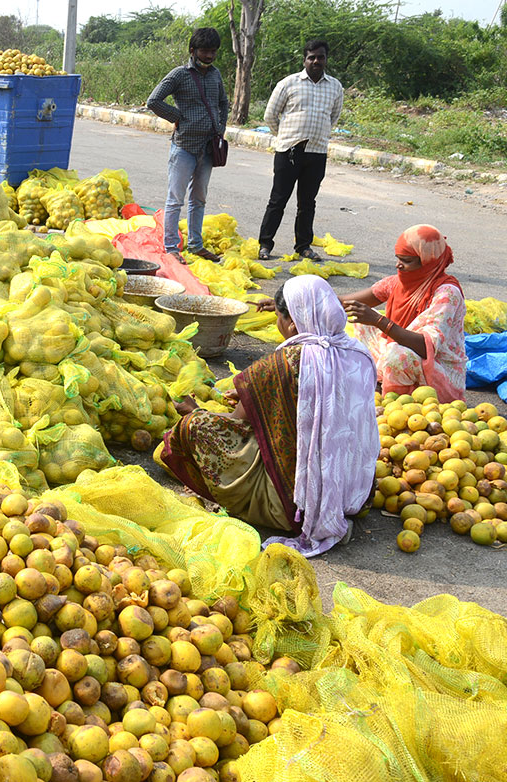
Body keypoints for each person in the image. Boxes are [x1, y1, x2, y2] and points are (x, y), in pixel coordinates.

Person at [161, 275, 378, 556]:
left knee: (195, 426)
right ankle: (335, 510)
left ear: (291, 321)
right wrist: (260, 395)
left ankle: (290, 510)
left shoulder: (282, 364)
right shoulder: (359, 354)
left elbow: (237, 422)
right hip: (354, 494)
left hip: (292, 506)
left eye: (278, 317)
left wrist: (197, 411)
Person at [339, 225, 466, 402]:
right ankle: (386, 377)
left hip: (438, 371)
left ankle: (394, 401)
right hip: (401, 350)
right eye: (398, 258)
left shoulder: (447, 294)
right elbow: (347, 302)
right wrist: (311, 293)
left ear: (427, 261)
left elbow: (425, 347)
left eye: (406, 260)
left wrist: (379, 321)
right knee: (359, 318)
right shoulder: (398, 283)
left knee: (397, 356)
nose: (398, 265)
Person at [146, 28, 230, 265]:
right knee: (175, 199)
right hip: (184, 146)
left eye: (213, 51)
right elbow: (154, 100)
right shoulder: (179, 75)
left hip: (208, 146)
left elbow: (223, 102)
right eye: (205, 51)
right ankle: (171, 247)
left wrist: (221, 126)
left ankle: (196, 245)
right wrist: (178, 117)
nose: (209, 56)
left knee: (199, 198)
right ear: (193, 51)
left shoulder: (215, 75)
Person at [257, 40, 344, 262]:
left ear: (326, 59)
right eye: (312, 57)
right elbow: (270, 115)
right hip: (289, 151)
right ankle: (265, 244)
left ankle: (303, 246)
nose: (316, 61)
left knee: (307, 203)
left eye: (320, 57)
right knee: (278, 200)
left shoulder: (335, 86)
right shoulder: (288, 83)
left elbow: (333, 117)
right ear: (304, 59)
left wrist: (317, 134)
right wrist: (285, 137)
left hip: (317, 152)